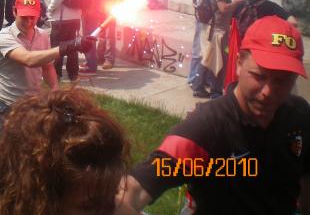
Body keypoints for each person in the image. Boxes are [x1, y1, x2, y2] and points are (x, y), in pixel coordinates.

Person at [120, 16, 310, 215]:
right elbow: (136, 188)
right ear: (238, 63)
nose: (269, 92)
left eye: (282, 80)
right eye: (259, 76)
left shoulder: (299, 115)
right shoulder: (208, 126)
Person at [0, 89, 131, 215]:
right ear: (37, 196)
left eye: (111, 196)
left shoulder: (103, 198)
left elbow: (148, 180)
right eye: (88, 207)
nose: (111, 211)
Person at [0, 0, 94, 144]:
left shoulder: (42, 35)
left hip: (32, 104)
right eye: (23, 17)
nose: (28, 22)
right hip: (5, 104)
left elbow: (47, 66)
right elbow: (28, 59)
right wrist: (68, 46)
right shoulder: (3, 37)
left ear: (38, 15)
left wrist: (55, 90)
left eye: (32, 17)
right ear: (14, 11)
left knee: (28, 152)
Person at [192, 0, 246, 99]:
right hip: (217, 31)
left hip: (219, 29)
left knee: (210, 60)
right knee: (218, 62)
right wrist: (238, 2)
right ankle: (214, 92)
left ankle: (199, 87)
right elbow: (223, 8)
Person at [47, 0, 82, 82]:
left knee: (57, 47)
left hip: (61, 20)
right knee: (72, 47)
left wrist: (50, 10)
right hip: (75, 19)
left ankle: (56, 74)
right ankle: (73, 74)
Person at [187, 0, 214, 87]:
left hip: (210, 20)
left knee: (207, 50)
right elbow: (197, 1)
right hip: (202, 19)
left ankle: (204, 78)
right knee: (198, 49)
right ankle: (193, 78)